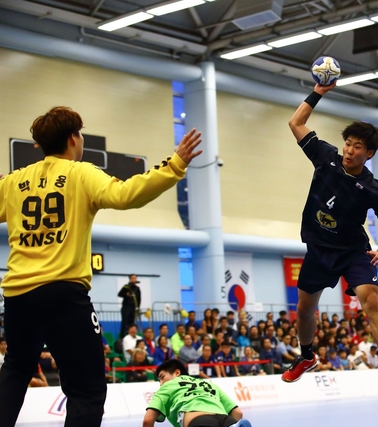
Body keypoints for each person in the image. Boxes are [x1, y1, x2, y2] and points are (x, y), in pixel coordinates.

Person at [0, 107, 202, 427]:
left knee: (14, 370)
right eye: (80, 134)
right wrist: (175, 165)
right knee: (87, 388)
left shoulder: (14, 181)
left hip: (17, 296)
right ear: (73, 139)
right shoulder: (81, 173)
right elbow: (125, 195)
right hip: (63, 294)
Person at [281, 82, 378, 387]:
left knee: (371, 298)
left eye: (357, 147)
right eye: (348, 143)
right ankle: (306, 356)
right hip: (319, 248)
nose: (349, 150)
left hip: (353, 252)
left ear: (369, 153)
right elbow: (295, 123)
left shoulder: (373, 189)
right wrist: (319, 92)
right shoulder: (326, 157)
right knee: (304, 309)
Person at [144, 359, 251, 427]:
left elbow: (147, 421)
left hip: (200, 421)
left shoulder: (167, 386)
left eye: (162, 377)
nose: (161, 383)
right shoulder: (208, 384)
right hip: (226, 419)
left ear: (177, 372)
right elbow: (238, 413)